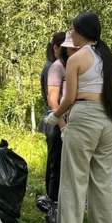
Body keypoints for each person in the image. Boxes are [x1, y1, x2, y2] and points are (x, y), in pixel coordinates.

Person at [44, 12, 112, 223]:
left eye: (73, 30)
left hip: (84, 116)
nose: (71, 34)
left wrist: (54, 117)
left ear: (81, 32)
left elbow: (68, 99)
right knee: (103, 179)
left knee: (74, 177)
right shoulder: (106, 58)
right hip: (107, 119)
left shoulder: (77, 58)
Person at [41, 31, 66, 201]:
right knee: (55, 162)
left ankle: (56, 197)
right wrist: (62, 124)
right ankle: (53, 199)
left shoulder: (60, 65)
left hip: (60, 118)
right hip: (56, 119)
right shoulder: (53, 67)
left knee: (59, 161)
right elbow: (52, 99)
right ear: (56, 48)